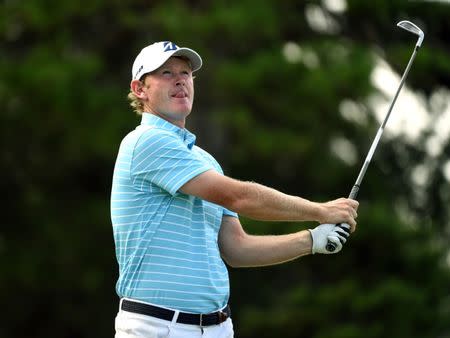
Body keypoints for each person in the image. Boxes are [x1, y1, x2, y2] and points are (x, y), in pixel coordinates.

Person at [110, 41, 359, 338]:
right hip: (156, 328)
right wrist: (320, 211)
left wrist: (312, 240)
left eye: (186, 73)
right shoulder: (146, 141)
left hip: (217, 328)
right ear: (140, 89)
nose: (180, 80)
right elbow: (238, 196)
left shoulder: (205, 161)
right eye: (166, 73)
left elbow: (236, 248)